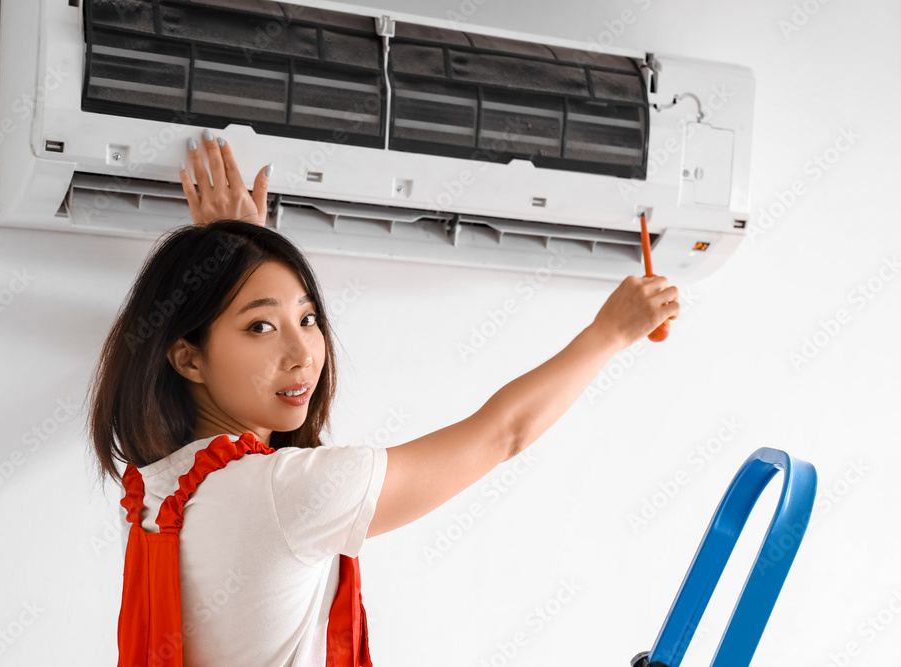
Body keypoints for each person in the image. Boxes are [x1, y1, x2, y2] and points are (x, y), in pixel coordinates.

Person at [86, 129, 680, 666]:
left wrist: (238, 249)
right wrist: (611, 332)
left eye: (309, 318)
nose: (304, 355)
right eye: (260, 327)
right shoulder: (286, 493)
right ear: (187, 357)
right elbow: (504, 433)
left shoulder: (157, 491)